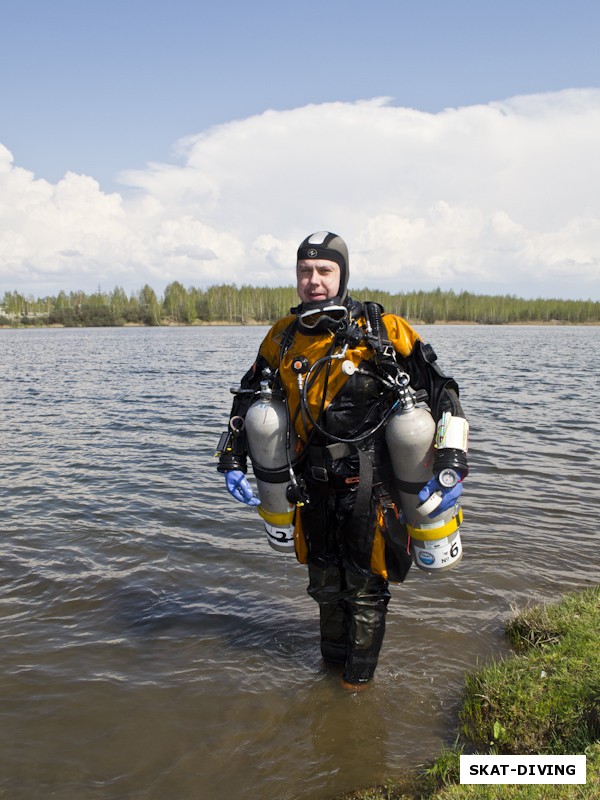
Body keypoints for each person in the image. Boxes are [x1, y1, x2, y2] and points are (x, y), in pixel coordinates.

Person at [216, 231, 468, 689]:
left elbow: (443, 390)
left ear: (342, 274)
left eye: (324, 270)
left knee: (366, 589)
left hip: (368, 487)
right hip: (310, 485)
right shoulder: (282, 336)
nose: (313, 281)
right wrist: (232, 457)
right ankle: (330, 670)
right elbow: (248, 394)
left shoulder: (384, 329)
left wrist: (453, 456)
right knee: (324, 586)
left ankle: (356, 691)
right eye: (305, 271)